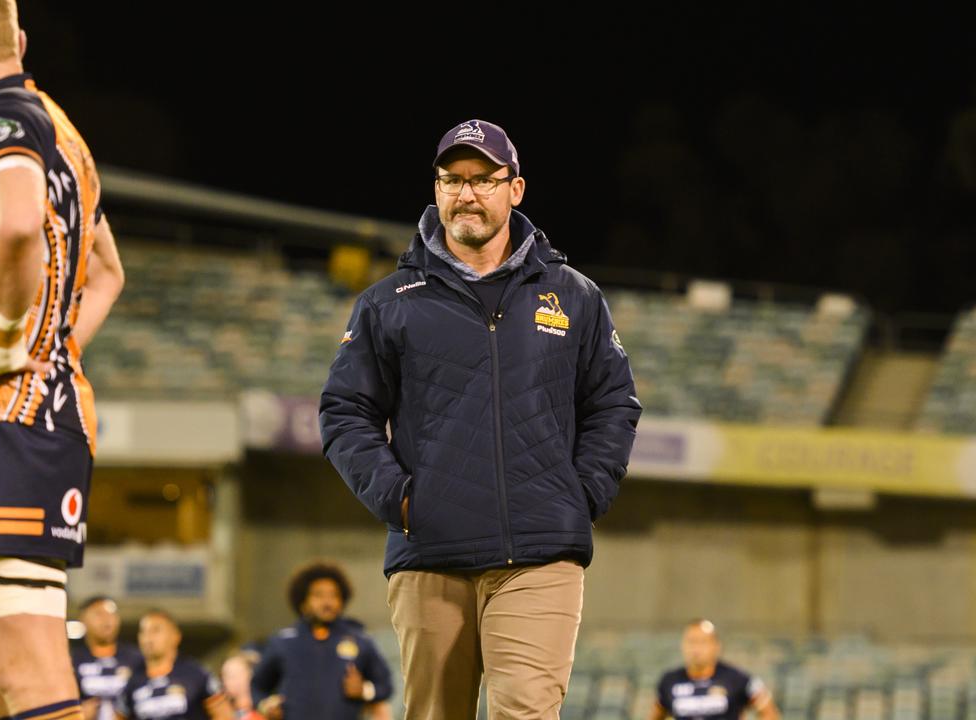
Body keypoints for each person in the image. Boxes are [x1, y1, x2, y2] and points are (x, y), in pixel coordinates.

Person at [319, 119, 642, 720]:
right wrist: (402, 501)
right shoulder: (389, 302)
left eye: (483, 179)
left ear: (515, 189)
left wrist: (580, 494)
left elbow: (612, 403)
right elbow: (345, 412)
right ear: (436, 189)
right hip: (431, 553)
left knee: (526, 712)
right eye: (452, 179)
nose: (466, 193)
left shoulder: (573, 296)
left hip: (540, 555)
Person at [0, 1, 124, 719]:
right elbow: (106, 272)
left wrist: (7, 347)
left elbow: (12, 224)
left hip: (9, 423)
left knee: (27, 677)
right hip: (23, 421)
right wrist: (52, 348)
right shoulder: (62, 130)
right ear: (20, 42)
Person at [251, 562, 393, 720]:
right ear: (303, 602)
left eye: (334, 595)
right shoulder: (283, 642)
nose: (327, 602)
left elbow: (385, 686)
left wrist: (364, 690)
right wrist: (265, 706)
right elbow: (257, 686)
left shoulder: (360, 640)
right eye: (318, 595)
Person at [651, 620, 781, 720]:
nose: (696, 649)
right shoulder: (669, 681)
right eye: (691, 642)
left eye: (702, 642)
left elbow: (769, 711)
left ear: (716, 646)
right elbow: (656, 715)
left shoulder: (736, 678)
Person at [116, 610, 230, 720]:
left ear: (175, 636)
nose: (148, 638)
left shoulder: (196, 674)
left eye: (155, 630)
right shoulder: (132, 681)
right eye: (143, 631)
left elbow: (224, 715)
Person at [71, 596, 142, 720]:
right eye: (99, 614)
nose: (107, 619)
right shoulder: (72, 660)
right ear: (83, 620)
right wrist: (76, 714)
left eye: (111, 614)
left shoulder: (136, 658)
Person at [219, 654, 263, 720]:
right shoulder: (228, 715)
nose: (224, 683)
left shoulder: (267, 706)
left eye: (231, 676)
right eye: (223, 678)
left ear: (250, 674)